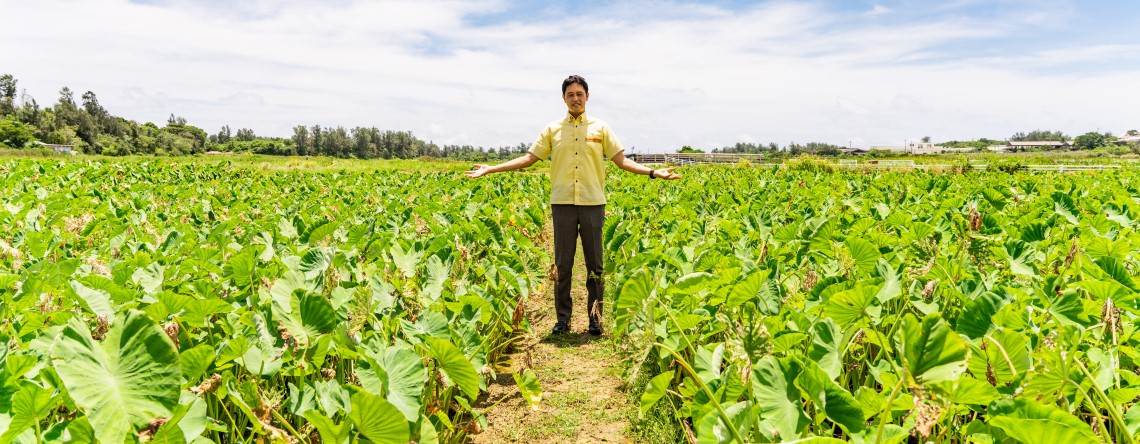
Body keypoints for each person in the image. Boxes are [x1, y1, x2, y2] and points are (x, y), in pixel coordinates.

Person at [465, 75, 681, 336]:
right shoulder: (553, 129)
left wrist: (653, 173)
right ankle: (563, 319)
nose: (575, 98)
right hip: (562, 203)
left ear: (587, 96)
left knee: (595, 266)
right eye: (570, 95)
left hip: (593, 203)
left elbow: (622, 161)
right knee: (563, 264)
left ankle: (595, 318)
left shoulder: (601, 128)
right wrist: (491, 169)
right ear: (564, 99)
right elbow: (529, 158)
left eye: (580, 94)